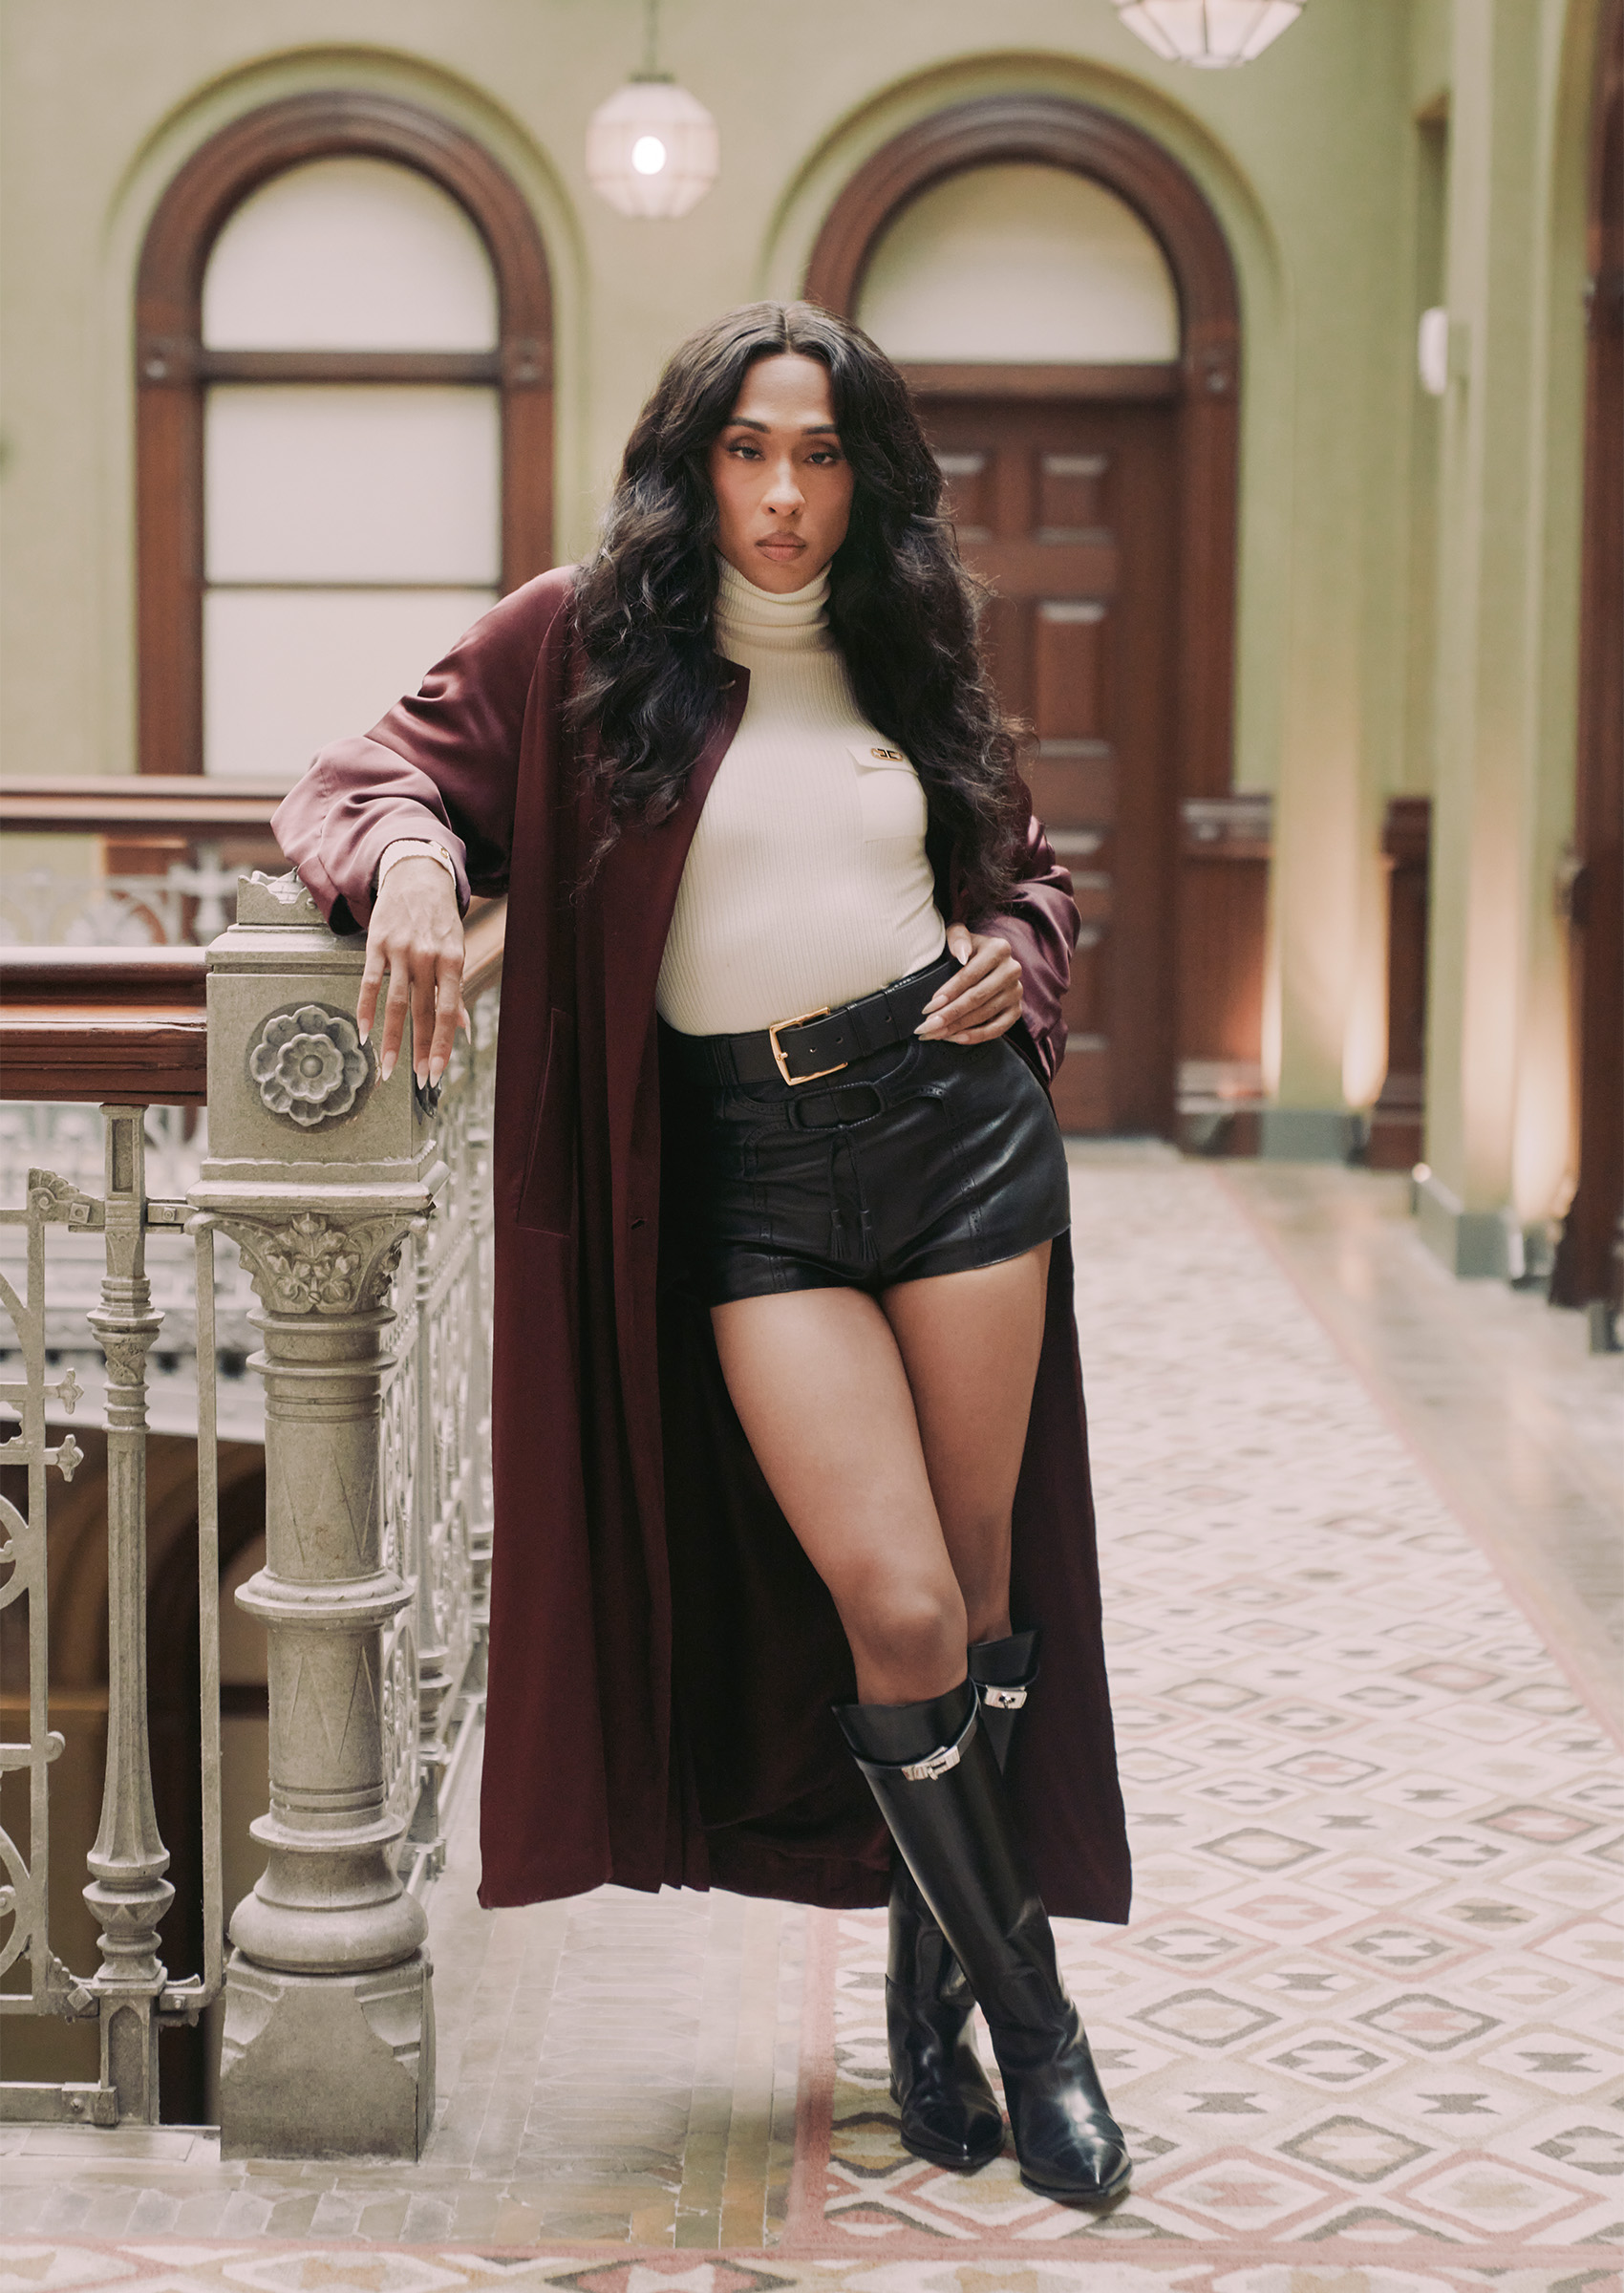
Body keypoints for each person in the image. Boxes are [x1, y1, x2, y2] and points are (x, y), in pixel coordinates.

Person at [271, 301, 1131, 2204]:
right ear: (694, 463)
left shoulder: (909, 646)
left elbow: (1023, 868)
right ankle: (1039, 2024)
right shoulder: (579, 639)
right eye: (751, 448)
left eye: (822, 454)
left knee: (979, 1614)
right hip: (747, 1175)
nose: (786, 492)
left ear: (864, 478)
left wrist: (1023, 952)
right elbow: (351, 778)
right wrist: (416, 860)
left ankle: (928, 2011)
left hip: (954, 1135)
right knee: (892, 1604)